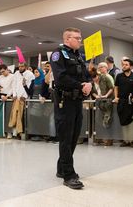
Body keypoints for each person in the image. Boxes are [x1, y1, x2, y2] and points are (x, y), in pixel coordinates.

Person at [50, 27, 91, 190]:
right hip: (64, 101)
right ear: (67, 39)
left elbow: (86, 75)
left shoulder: (78, 56)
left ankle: (61, 168)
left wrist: (89, 84)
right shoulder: (58, 54)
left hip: (77, 101)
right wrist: (80, 85)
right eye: (77, 38)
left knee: (74, 137)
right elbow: (60, 78)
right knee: (66, 138)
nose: (80, 41)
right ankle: (68, 175)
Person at [114, 58, 133, 148]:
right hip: (121, 101)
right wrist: (116, 97)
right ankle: (125, 141)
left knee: (131, 121)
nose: (124, 66)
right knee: (123, 121)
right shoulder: (119, 76)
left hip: (131, 102)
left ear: (131, 66)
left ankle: (132, 141)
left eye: (126, 65)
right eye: (123, 65)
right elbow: (116, 87)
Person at [8, 62, 35, 138]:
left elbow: (29, 87)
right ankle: (14, 132)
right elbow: (14, 84)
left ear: (25, 67)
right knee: (14, 114)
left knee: (22, 116)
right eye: (19, 66)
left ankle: (20, 133)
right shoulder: (16, 73)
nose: (20, 68)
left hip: (24, 98)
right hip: (16, 97)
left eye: (22, 66)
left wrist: (25, 96)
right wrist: (14, 95)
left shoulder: (30, 74)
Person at [91, 63, 115, 146]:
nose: (95, 80)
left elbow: (112, 88)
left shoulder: (106, 77)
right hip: (98, 102)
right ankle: (98, 138)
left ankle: (108, 140)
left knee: (107, 119)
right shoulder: (92, 82)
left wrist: (106, 95)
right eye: (93, 79)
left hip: (107, 101)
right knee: (97, 120)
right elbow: (92, 91)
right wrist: (96, 96)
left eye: (96, 78)